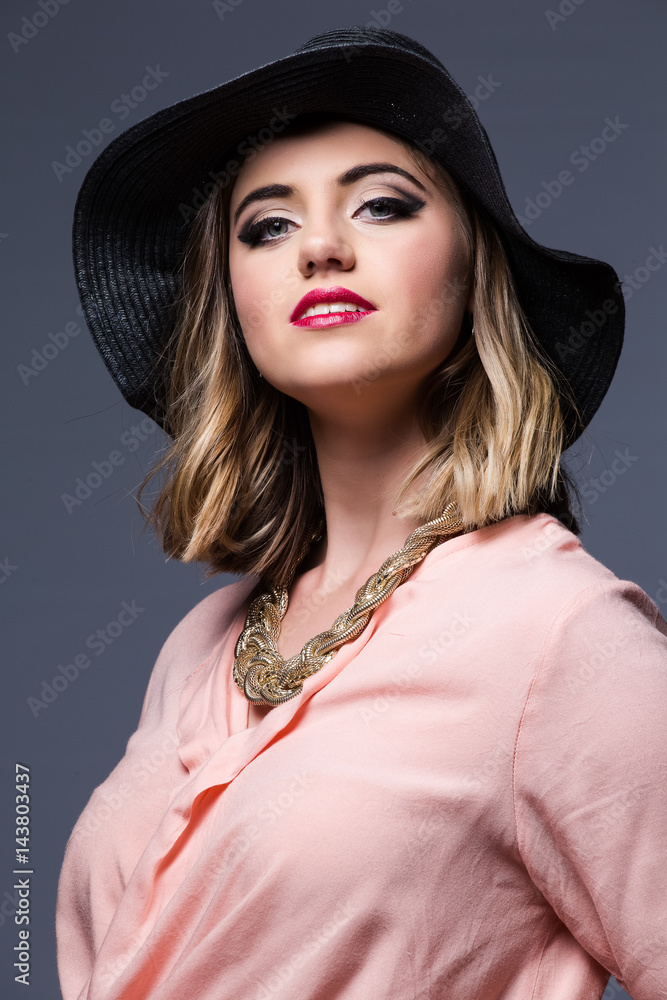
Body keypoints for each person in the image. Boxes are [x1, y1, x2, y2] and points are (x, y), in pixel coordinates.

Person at [56, 26, 667, 1000]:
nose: (320, 247)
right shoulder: (199, 648)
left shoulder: (561, 635)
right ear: (232, 300)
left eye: (381, 205)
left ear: (474, 269)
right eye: (267, 226)